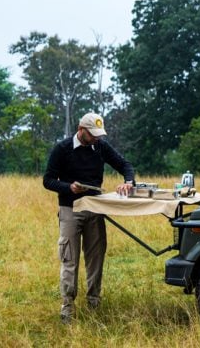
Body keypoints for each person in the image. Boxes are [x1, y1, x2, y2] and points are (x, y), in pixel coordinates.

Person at [43, 112, 135, 323]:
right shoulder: (62, 149)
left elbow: (125, 165)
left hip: (95, 209)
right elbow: (47, 180)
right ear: (81, 130)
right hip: (70, 209)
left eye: (98, 135)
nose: (96, 138)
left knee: (96, 258)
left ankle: (94, 301)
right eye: (92, 134)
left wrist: (128, 181)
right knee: (69, 259)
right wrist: (68, 187)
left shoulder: (101, 146)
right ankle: (67, 307)